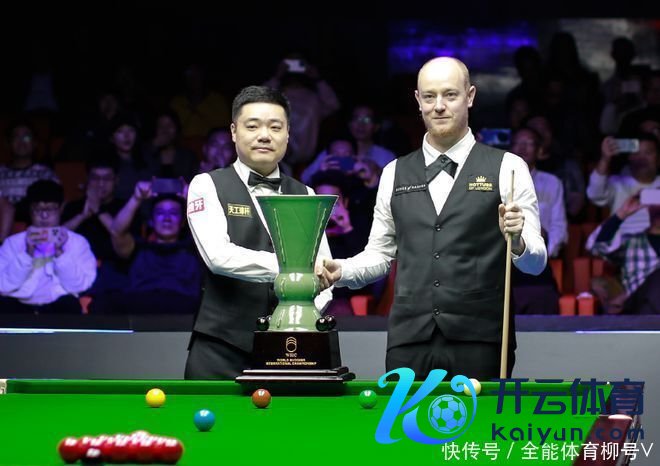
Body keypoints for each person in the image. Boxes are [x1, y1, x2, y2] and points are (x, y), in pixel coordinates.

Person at [319, 57, 547, 380]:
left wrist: (519, 242)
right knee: (403, 417)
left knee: (475, 418)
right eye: (429, 96)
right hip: (409, 339)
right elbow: (380, 256)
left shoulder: (508, 167)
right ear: (418, 100)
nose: (439, 106)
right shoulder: (394, 172)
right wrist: (341, 270)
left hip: (480, 339)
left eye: (450, 95)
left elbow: (536, 263)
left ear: (470, 96)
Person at [184, 85, 333, 380]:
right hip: (220, 347)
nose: (264, 135)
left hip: (290, 347)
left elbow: (324, 269)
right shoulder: (206, 185)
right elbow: (218, 257)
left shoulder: (306, 193)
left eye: (275, 127)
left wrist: (301, 319)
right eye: (252, 126)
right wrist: (297, 270)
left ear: (288, 134)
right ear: (234, 131)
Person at [0, 180, 96, 313]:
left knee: (69, 305)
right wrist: (27, 254)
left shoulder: (78, 242)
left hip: (59, 306)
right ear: (30, 210)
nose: (44, 216)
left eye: (50, 209)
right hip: (19, 305)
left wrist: (60, 253)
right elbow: (3, 286)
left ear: (61, 209)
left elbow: (80, 286)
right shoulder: (13, 243)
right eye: (38, 210)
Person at [588, 193, 660, 314]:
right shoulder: (631, 241)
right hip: (635, 303)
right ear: (649, 208)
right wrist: (621, 214)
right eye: (656, 204)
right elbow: (598, 248)